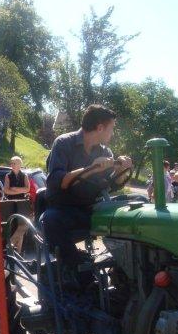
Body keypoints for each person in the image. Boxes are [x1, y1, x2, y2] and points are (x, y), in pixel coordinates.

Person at [43, 104, 132, 270]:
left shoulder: (105, 152)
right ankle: (75, 266)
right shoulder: (63, 143)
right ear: (100, 128)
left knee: (136, 202)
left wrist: (121, 172)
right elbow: (58, 181)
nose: (112, 133)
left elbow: (110, 186)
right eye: (111, 129)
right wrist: (91, 168)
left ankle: (124, 265)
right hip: (65, 209)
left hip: (92, 207)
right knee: (51, 219)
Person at [5, 156, 31, 253]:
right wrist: (20, 190)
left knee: (23, 226)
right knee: (14, 227)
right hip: (11, 203)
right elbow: (6, 190)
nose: (12, 165)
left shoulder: (24, 176)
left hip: (22, 204)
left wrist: (15, 189)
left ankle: (15, 250)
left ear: (19, 165)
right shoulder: (8, 176)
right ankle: (14, 251)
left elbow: (27, 189)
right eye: (11, 163)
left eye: (14, 163)